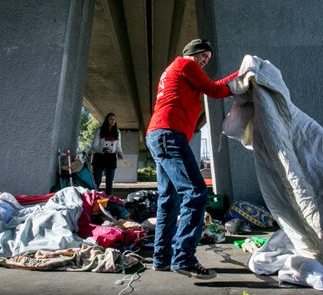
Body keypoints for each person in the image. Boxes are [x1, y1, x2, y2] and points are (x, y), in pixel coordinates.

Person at [145, 38, 238, 279]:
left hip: (159, 135)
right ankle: (183, 258)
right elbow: (216, 90)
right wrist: (242, 75)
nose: (204, 62)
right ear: (192, 53)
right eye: (203, 56)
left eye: (207, 60)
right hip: (170, 134)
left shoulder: (174, 70)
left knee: (169, 200)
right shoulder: (186, 64)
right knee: (196, 192)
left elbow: (208, 86)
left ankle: (162, 258)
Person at [91, 112, 123, 195]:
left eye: (114, 120)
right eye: (111, 119)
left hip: (111, 158)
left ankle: (109, 199)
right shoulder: (100, 130)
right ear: (107, 120)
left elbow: (118, 146)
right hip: (99, 157)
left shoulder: (117, 132)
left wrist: (119, 153)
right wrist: (102, 150)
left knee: (109, 181)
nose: (113, 121)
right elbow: (94, 146)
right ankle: (95, 198)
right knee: (97, 180)